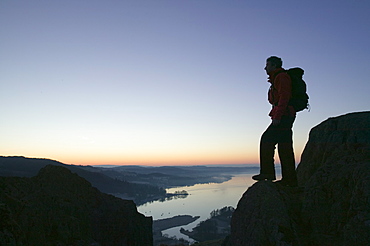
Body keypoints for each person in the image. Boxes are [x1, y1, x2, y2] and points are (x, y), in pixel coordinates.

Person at [252, 56, 298, 187]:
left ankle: (267, 173)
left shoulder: (281, 77)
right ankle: (290, 180)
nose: (265, 68)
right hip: (286, 114)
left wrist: (277, 116)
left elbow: (284, 97)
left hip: (284, 115)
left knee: (266, 140)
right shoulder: (277, 78)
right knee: (285, 147)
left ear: (274, 65)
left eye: (267, 65)